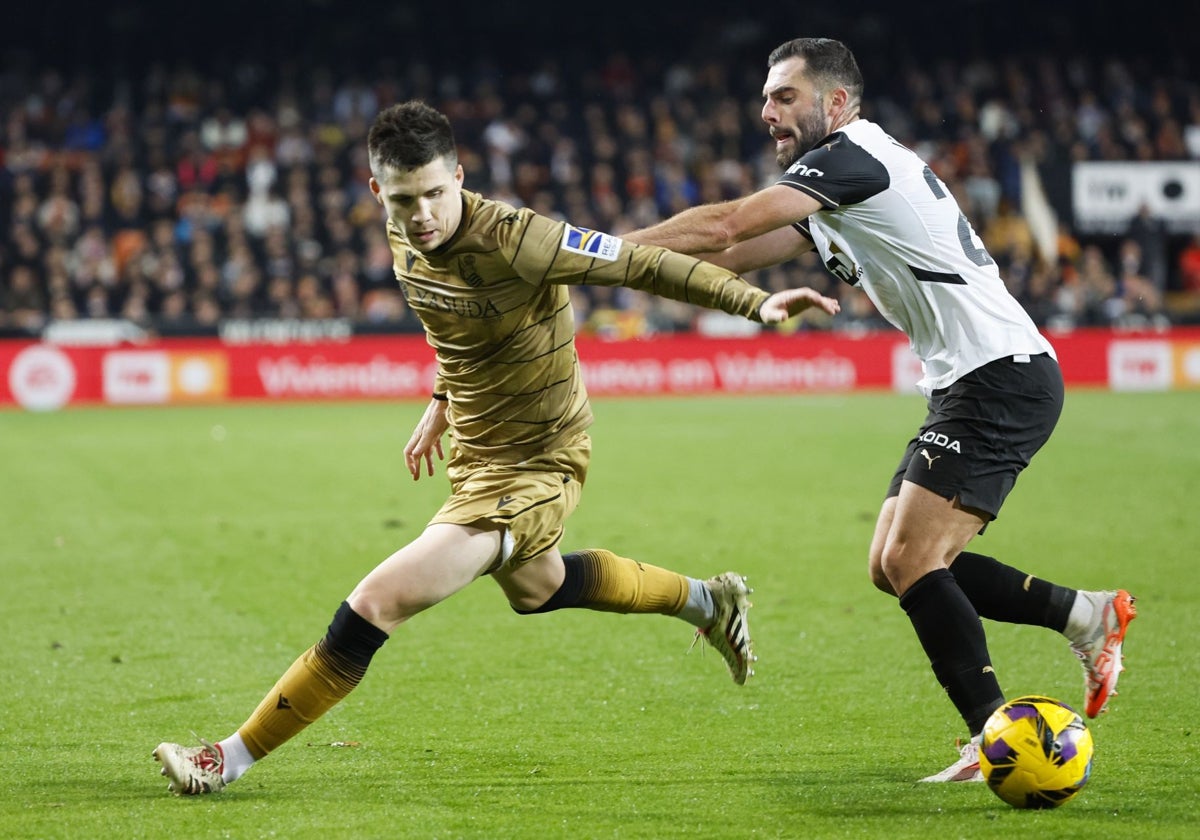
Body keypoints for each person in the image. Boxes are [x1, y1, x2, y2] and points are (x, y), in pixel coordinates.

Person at [152, 99, 841, 796]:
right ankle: (707, 601)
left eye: (433, 195)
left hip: (541, 460)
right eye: (402, 200)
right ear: (376, 192)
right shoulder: (405, 238)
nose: (421, 214)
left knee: (377, 601)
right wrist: (440, 401)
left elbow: (642, 265)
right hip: (478, 451)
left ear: (459, 175)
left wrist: (754, 304)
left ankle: (226, 758)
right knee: (538, 589)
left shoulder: (520, 238)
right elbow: (459, 327)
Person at [624, 37, 1137, 782]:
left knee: (911, 559)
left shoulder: (852, 156)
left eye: (784, 96)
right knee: (891, 566)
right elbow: (731, 258)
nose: (767, 110)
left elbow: (727, 226)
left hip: (999, 373)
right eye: (766, 96)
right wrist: (612, 272)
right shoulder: (837, 187)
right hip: (973, 379)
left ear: (835, 103)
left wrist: (594, 248)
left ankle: (997, 737)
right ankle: (1086, 614)